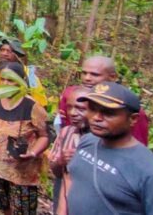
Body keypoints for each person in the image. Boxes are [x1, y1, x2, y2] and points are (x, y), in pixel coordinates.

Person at [66, 82, 153, 214]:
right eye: (92, 109)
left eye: (108, 113)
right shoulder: (88, 141)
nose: (96, 117)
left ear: (133, 119)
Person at [0, 62, 50, 215]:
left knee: (23, 208)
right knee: (1, 202)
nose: (5, 84)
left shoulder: (31, 106)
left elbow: (45, 135)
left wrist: (32, 153)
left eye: (11, 80)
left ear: (21, 81)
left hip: (22, 169)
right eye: (3, 79)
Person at [58, 56, 149, 145]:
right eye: (84, 73)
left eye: (95, 74)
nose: (87, 78)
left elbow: (138, 146)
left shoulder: (127, 108)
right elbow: (66, 126)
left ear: (112, 77)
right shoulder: (70, 95)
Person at [49, 86, 90, 215]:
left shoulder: (105, 140)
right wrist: (61, 161)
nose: (72, 113)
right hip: (65, 196)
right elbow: (57, 173)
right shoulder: (67, 132)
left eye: (81, 108)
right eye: (69, 107)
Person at [0, 38, 46, 107]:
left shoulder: (29, 74)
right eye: (2, 50)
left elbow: (41, 103)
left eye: (9, 51)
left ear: (17, 54)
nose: (4, 54)